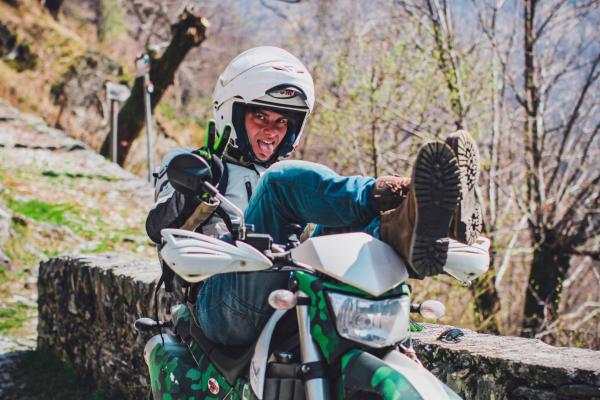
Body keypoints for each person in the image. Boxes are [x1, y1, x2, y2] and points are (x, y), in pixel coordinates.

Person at [146, 46, 482, 347]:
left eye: (283, 121)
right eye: (260, 115)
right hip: (220, 308)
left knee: (347, 221)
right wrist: (198, 195)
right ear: (231, 113)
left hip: (291, 292)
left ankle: (412, 224)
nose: (272, 130)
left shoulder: (283, 180)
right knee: (284, 181)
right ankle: (394, 190)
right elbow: (159, 226)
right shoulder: (194, 164)